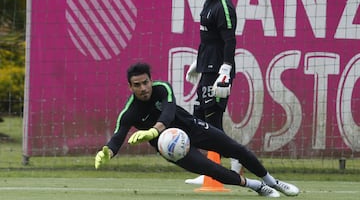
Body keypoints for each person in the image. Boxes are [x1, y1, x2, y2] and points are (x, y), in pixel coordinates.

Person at [94, 62, 300, 198]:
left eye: (145, 82)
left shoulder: (162, 89)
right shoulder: (129, 112)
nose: (143, 88)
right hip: (171, 147)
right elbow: (118, 136)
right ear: (130, 87)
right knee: (212, 169)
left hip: (191, 127)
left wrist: (154, 131)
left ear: (150, 80)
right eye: (137, 85)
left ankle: (272, 182)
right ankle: (257, 187)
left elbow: (167, 112)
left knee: (236, 149)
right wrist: (107, 152)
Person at [185, 0, 241, 184]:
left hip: (218, 74)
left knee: (212, 123)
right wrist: (198, 63)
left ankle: (233, 163)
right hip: (207, 70)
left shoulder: (224, 6)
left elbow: (229, 40)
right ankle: (213, 169)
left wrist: (225, 71)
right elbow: (210, 41)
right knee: (199, 120)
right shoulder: (208, 4)